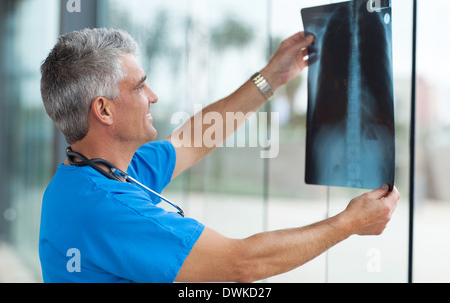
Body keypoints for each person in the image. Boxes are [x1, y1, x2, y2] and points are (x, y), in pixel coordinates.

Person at [39, 28, 400, 283]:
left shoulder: (94, 174)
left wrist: (271, 77)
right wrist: (349, 224)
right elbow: (242, 265)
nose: (153, 95)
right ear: (103, 110)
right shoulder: (105, 208)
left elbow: (194, 139)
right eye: (139, 86)